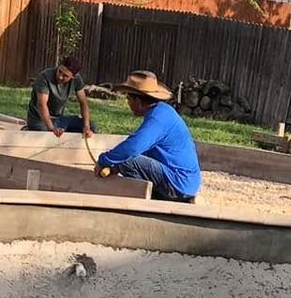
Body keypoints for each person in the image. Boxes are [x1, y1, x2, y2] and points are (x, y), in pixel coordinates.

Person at [94, 71, 200, 204]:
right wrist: (116, 166)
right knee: (124, 160)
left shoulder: (157, 118)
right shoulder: (162, 111)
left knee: (126, 160)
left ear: (138, 101)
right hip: (186, 182)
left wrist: (104, 160)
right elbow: (144, 150)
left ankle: (147, 200)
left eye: (129, 99)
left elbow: (132, 148)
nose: (128, 103)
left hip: (177, 182)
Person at [26, 56, 93, 137]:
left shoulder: (77, 80)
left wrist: (86, 126)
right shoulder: (45, 77)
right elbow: (41, 104)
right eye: (60, 71)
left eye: (65, 75)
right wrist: (52, 129)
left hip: (59, 119)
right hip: (40, 120)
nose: (60, 76)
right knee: (47, 135)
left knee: (91, 127)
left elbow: (83, 103)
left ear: (73, 77)